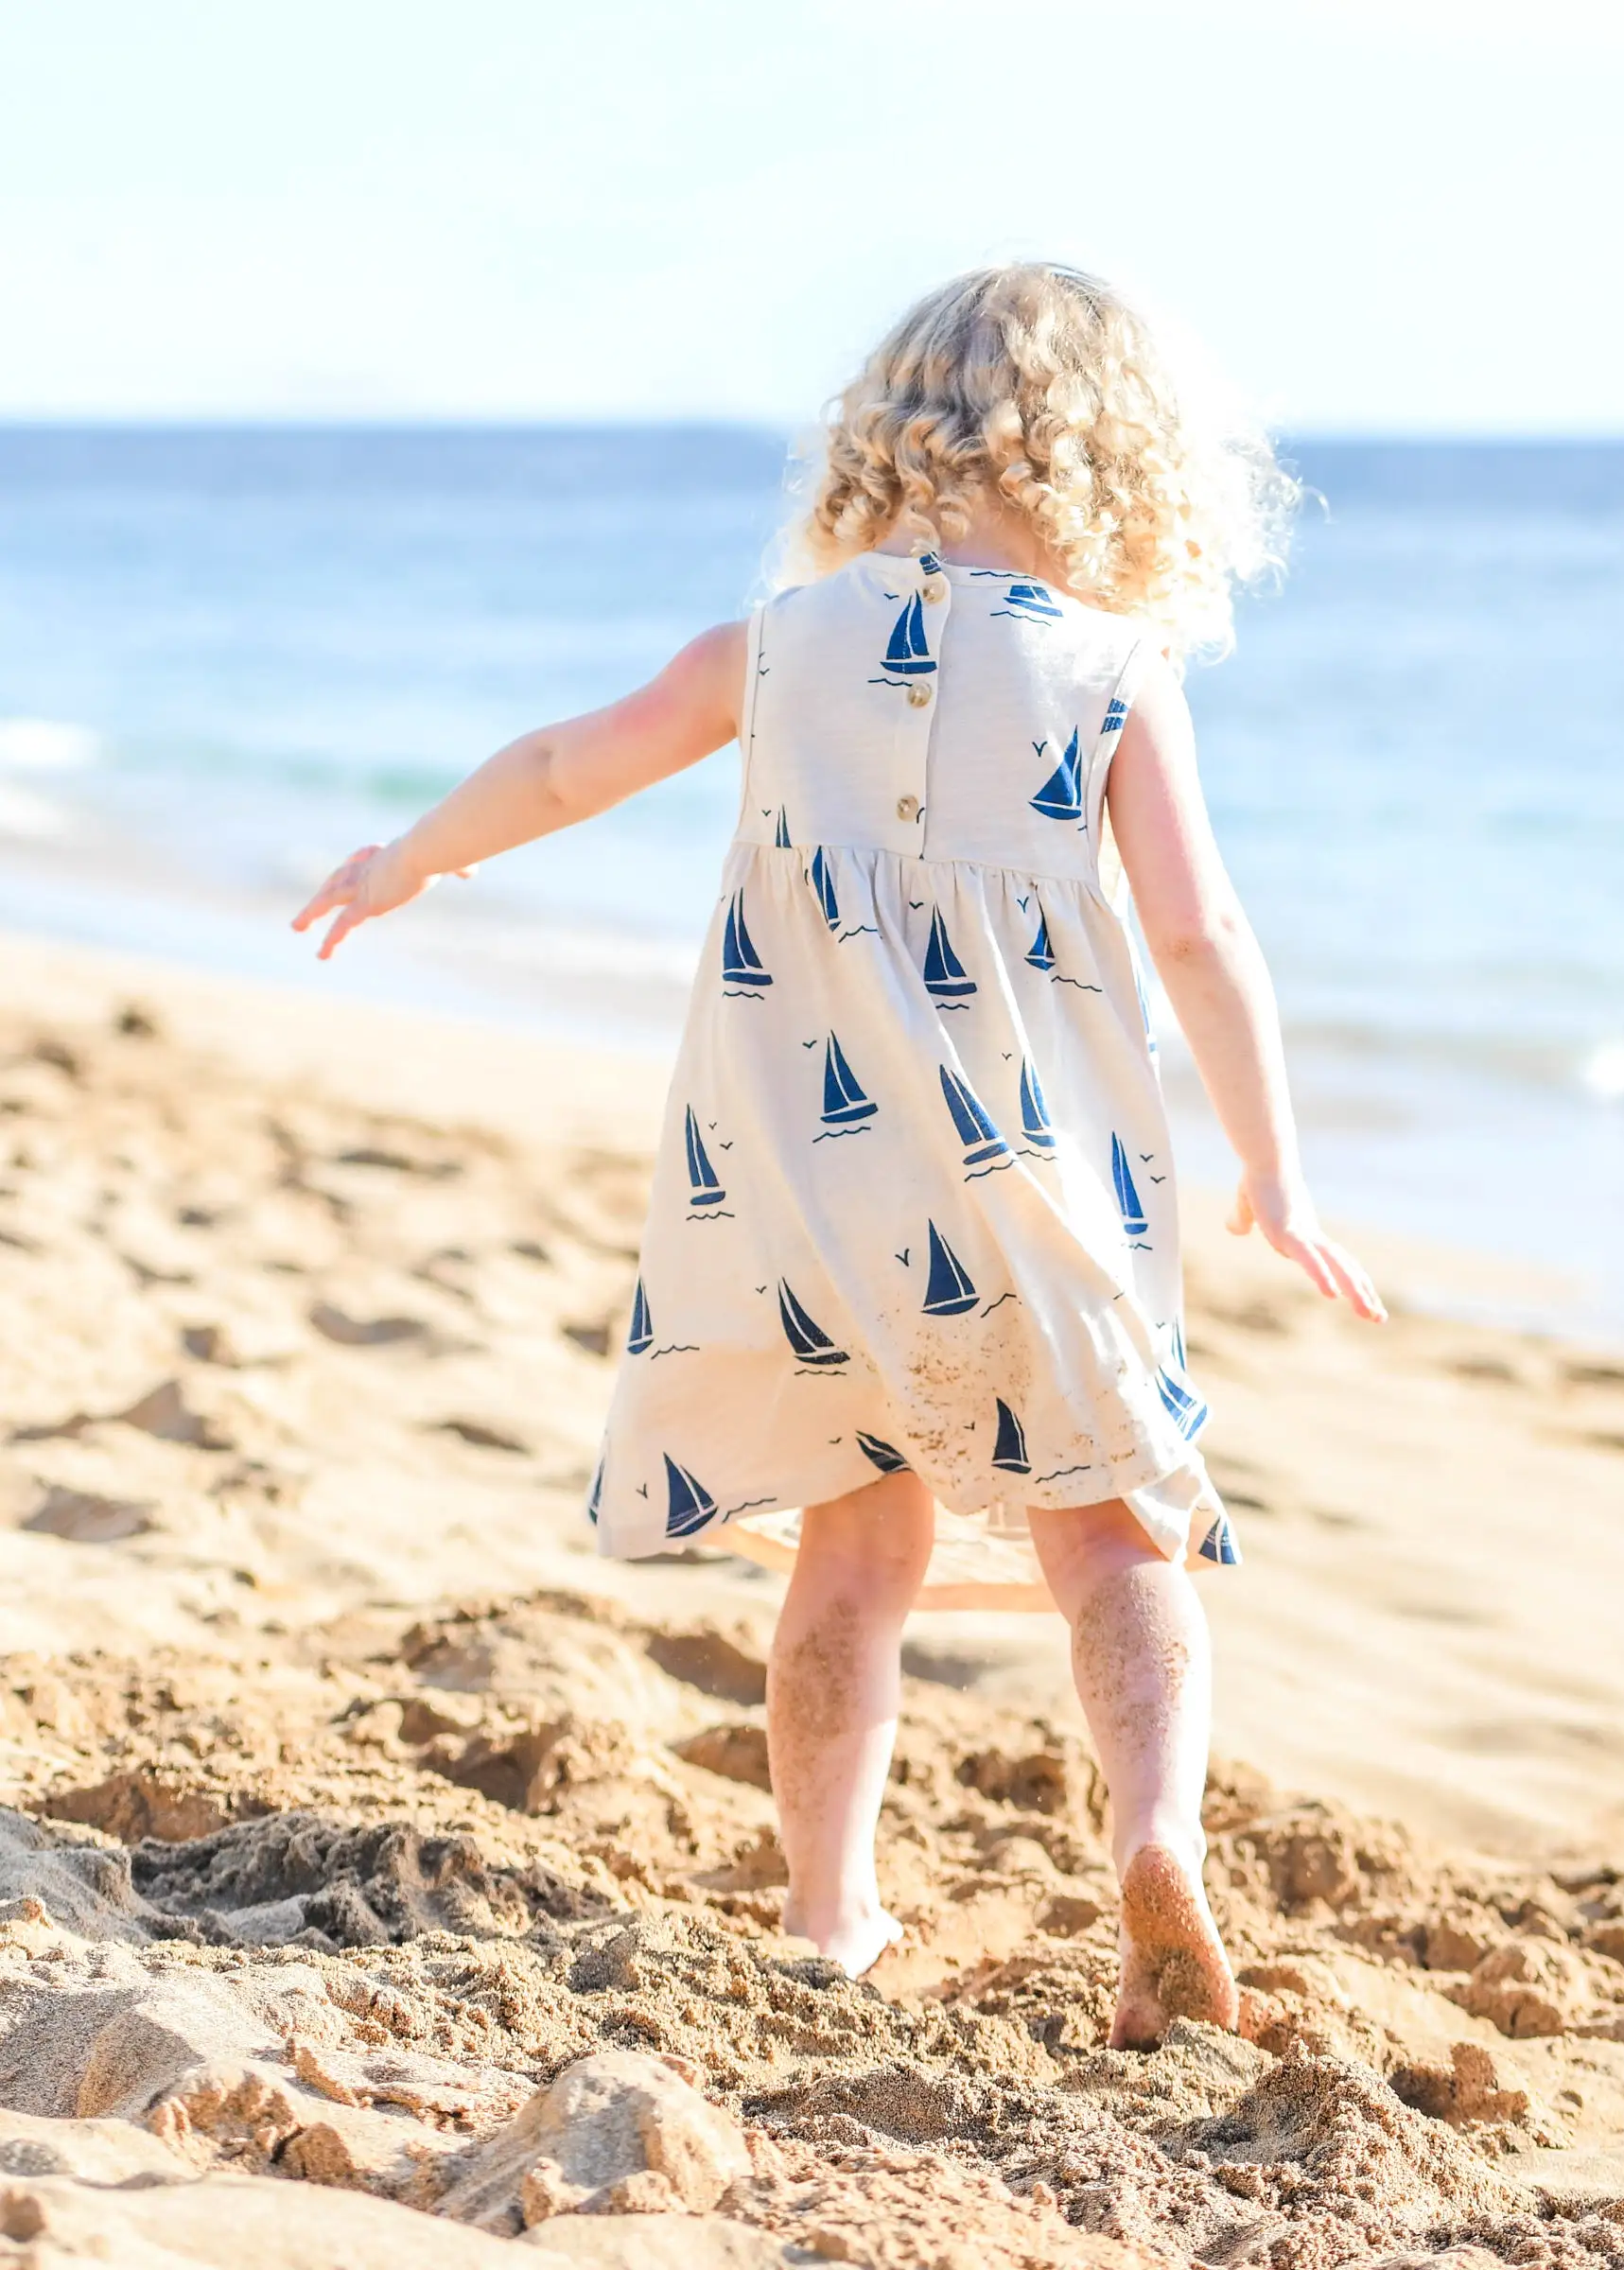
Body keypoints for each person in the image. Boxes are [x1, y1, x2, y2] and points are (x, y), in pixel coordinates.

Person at [292, 263, 1385, 2048]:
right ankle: (1158, 1837)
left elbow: (573, 761)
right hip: (1036, 1188)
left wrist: (414, 855)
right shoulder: (1113, 675)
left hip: (797, 1183)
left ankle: (827, 1913)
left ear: (887, 441)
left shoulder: (779, 645)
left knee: (853, 1553)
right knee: (1112, 1530)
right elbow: (1205, 938)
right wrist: (1279, 1170)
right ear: (1129, 466)